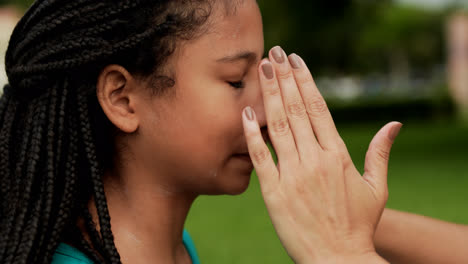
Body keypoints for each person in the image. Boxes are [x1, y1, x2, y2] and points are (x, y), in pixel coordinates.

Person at [0, 1, 465, 264]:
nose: (266, 111)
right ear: (123, 98)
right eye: (236, 80)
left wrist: (344, 234)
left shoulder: (177, 251)